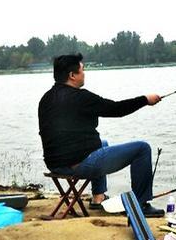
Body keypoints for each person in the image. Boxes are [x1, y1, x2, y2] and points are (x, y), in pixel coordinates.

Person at [38, 53, 164, 217]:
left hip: (55, 164)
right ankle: (141, 205)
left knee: (102, 143)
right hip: (77, 165)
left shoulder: (46, 99)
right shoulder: (80, 97)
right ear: (72, 75)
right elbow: (116, 109)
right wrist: (145, 100)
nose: (84, 73)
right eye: (82, 70)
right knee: (142, 148)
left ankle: (98, 198)